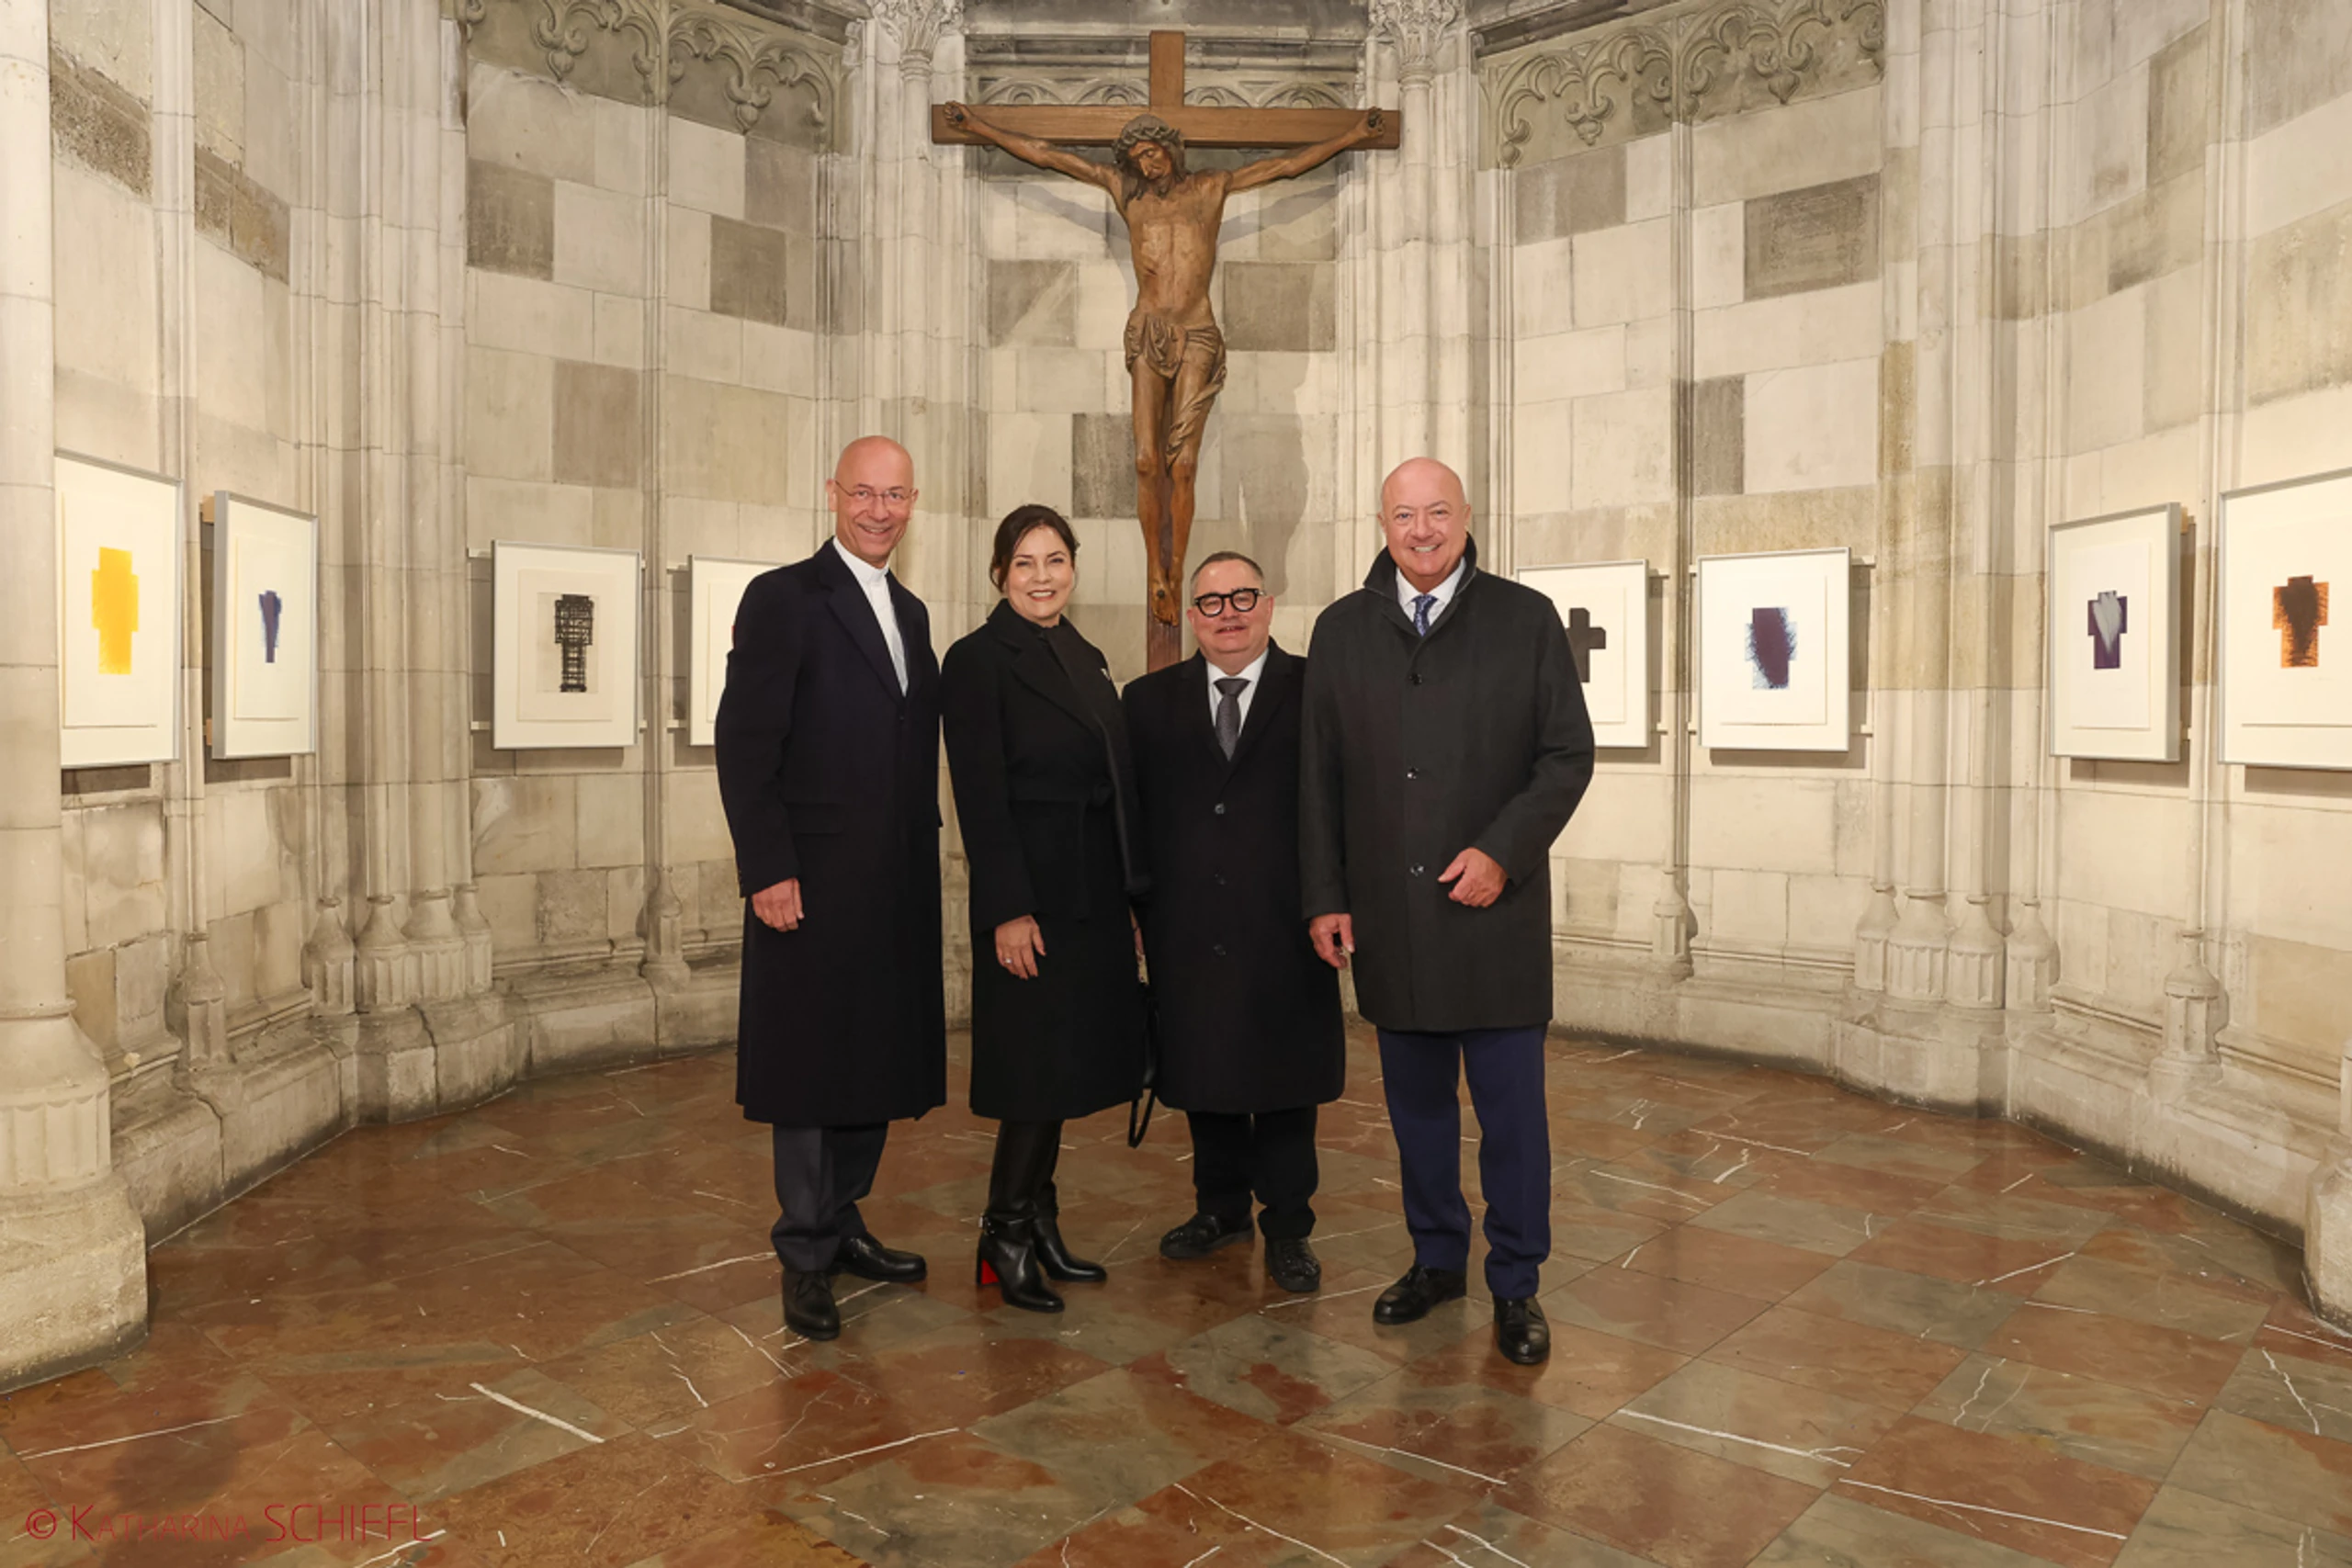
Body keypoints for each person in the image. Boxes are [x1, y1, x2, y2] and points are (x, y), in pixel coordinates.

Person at [1300, 457, 1595, 1365]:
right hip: (1391, 923)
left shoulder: (1524, 619)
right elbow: (1317, 781)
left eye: (1437, 512)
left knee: (1512, 1120)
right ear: (1381, 522)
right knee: (1416, 1114)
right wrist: (1325, 898)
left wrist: (1502, 852)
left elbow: (1565, 757)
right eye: (1403, 515)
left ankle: (1516, 1283)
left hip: (1493, 920)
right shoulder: (1341, 629)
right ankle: (1434, 1260)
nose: (1420, 530)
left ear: (1467, 517)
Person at [714, 435, 944, 1342]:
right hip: (805, 883)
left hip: (891, 884)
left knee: (871, 1058)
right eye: (864, 494)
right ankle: (804, 1252)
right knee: (810, 1071)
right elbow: (746, 744)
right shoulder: (781, 599)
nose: (879, 510)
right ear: (832, 495)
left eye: (894, 496)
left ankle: (845, 1219)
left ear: (912, 502)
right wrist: (767, 867)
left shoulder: (914, 612)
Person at [941, 505, 1148, 1314]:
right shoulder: (975, 659)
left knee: (1063, 1070)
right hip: (1030, 900)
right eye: (1024, 562)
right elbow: (980, 796)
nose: (1040, 576)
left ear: (1073, 566)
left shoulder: (1085, 653)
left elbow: (1120, 785)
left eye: (1054, 560)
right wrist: (1008, 909)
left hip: (1090, 895)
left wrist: (1133, 895)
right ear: (1000, 572)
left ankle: (1041, 1221)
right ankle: (1002, 1236)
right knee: (1030, 1075)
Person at [1124, 552, 1343, 1293]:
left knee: (1284, 1079)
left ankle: (1288, 1226)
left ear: (1270, 604)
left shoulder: (1316, 690)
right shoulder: (1146, 702)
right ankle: (1218, 1210)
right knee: (1205, 1071)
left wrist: (1335, 898)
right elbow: (1131, 817)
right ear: (1191, 617)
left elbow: (1343, 807)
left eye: (1242, 596)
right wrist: (1133, 907)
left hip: (1286, 921)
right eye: (1211, 602)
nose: (1228, 612)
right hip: (1186, 923)